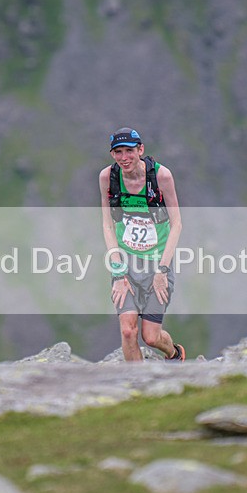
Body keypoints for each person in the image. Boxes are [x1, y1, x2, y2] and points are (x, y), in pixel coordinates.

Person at [99, 127, 185, 362]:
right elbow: (107, 225)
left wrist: (162, 272)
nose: (124, 158)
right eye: (118, 152)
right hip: (125, 263)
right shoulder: (108, 177)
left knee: (151, 336)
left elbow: (177, 224)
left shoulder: (161, 177)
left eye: (129, 151)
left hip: (157, 264)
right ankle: (136, 388)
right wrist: (117, 272)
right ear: (112, 154)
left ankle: (174, 354)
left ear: (141, 150)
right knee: (128, 331)